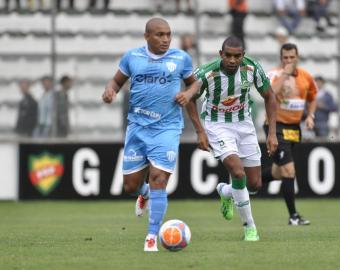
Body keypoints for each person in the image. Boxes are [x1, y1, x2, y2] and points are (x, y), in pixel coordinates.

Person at [102, 18, 198, 252]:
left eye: (168, 34)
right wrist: (110, 91)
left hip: (167, 128)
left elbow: (196, 84)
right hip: (137, 128)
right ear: (146, 36)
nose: (165, 39)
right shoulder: (132, 57)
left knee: (158, 179)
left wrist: (188, 92)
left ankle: (152, 236)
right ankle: (143, 194)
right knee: (130, 186)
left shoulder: (181, 58)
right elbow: (116, 81)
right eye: (159, 35)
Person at [185, 36, 278, 241]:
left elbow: (270, 96)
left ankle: (226, 191)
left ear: (243, 56)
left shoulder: (252, 68)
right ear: (221, 54)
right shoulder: (207, 72)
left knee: (254, 185)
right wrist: (200, 131)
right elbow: (189, 98)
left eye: (237, 56)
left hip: (244, 124)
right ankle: (250, 228)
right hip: (217, 125)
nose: (233, 60)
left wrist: (272, 132)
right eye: (228, 55)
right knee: (237, 172)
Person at [262, 43, 317, 225]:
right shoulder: (274, 74)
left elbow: (312, 97)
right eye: (285, 57)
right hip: (275, 126)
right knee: (289, 169)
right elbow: (269, 95)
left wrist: (310, 115)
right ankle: (293, 217)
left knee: (279, 172)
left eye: (292, 57)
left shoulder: (306, 77)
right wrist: (285, 74)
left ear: (297, 57)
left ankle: (244, 185)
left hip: (294, 128)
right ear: (281, 58)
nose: (288, 60)